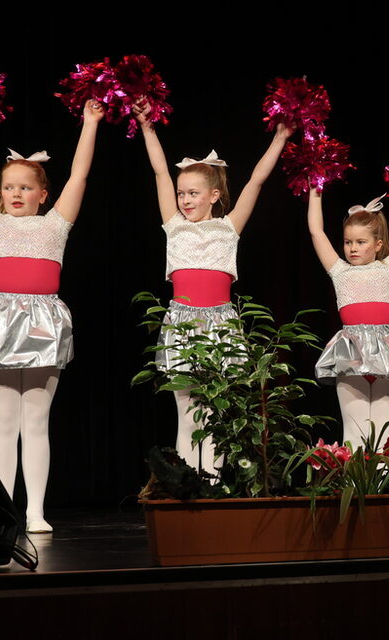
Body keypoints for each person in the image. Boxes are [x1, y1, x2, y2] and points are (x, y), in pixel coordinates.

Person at [0, 97, 103, 533]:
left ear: (43, 194)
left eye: (25, 187)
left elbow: (79, 175)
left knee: (36, 422)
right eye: (9, 187)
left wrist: (91, 122)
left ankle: (35, 511)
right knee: (3, 424)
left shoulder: (55, 224)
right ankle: (1, 511)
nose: (16, 194)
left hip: (43, 322)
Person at [134, 101, 292, 476]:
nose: (185, 200)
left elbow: (256, 180)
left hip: (221, 324)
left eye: (193, 193)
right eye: (181, 193)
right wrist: (148, 129)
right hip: (183, 324)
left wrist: (280, 138)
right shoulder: (174, 226)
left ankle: (215, 482)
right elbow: (159, 172)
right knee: (187, 413)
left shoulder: (229, 227)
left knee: (217, 411)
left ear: (214, 196)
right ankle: (186, 485)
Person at [307, 172, 389, 449]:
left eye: (360, 242)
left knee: (381, 437)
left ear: (378, 245)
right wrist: (315, 188)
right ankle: (356, 490)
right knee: (354, 434)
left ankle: (378, 490)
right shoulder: (339, 270)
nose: (353, 248)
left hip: (386, 354)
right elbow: (316, 231)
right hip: (350, 353)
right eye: (348, 242)